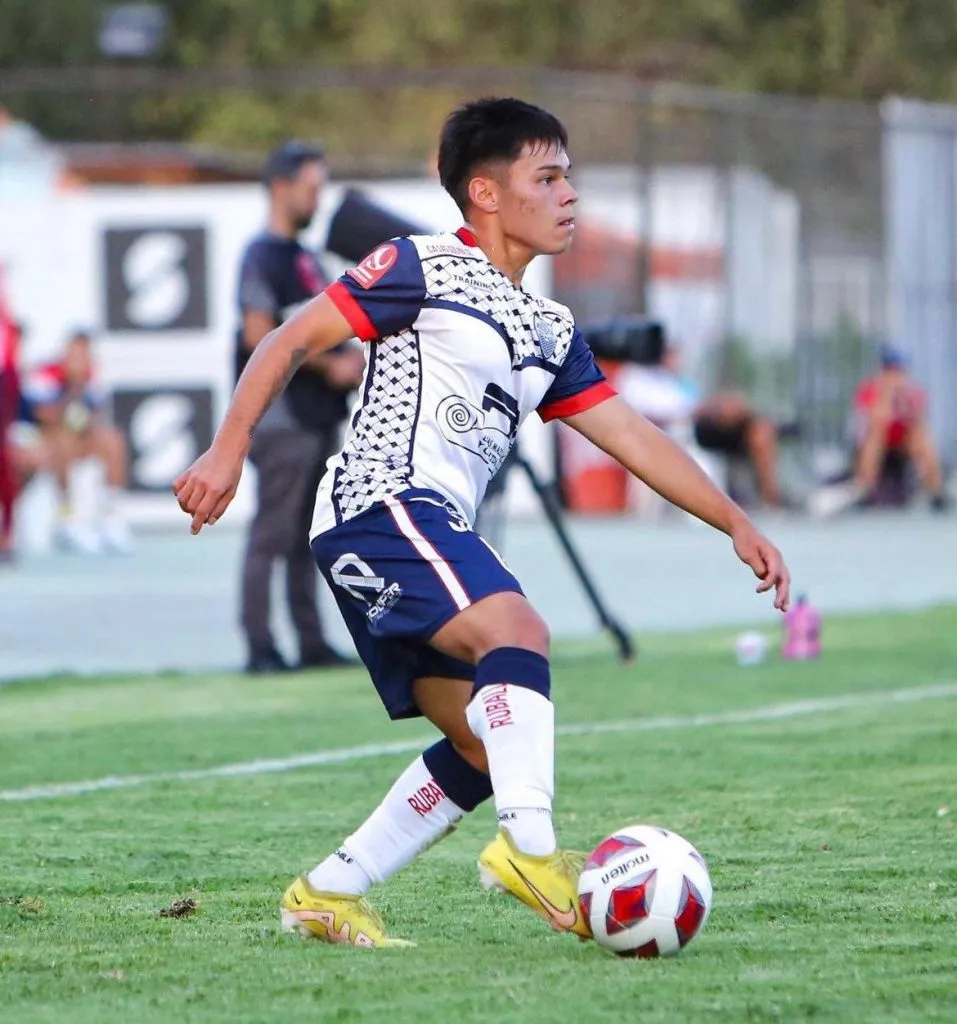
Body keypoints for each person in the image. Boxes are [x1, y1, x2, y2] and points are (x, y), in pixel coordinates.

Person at [174, 97, 791, 948]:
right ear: (487, 192)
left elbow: (631, 436)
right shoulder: (419, 267)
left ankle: (326, 891)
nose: (569, 193)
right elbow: (286, 339)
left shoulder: (549, 326)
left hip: (400, 530)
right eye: (547, 176)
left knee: (475, 744)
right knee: (519, 629)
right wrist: (225, 450)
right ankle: (529, 850)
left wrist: (732, 520)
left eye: (569, 175)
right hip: (380, 503)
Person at [235, 140, 364, 674]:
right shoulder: (263, 255)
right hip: (283, 419)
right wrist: (328, 365)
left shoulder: (308, 260)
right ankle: (261, 647)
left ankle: (310, 641)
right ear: (281, 187)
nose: (318, 200)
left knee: (309, 538)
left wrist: (352, 355)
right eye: (311, 189)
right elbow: (257, 334)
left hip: (315, 418)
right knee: (271, 535)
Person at [18, 329, 132, 554]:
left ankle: (110, 514)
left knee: (112, 440)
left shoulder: (92, 378)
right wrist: (73, 388)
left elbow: (92, 421)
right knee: (63, 440)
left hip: (69, 438)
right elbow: (47, 418)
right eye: (75, 353)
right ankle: (67, 516)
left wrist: (80, 389)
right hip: (34, 440)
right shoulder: (44, 375)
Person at [810, 346, 949, 516]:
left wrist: (903, 401)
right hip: (872, 447)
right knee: (876, 434)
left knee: (919, 435)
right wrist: (887, 395)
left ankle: (936, 489)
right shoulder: (868, 391)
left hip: (901, 449)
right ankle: (865, 487)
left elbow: (918, 421)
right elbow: (873, 422)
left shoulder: (912, 393)